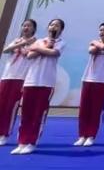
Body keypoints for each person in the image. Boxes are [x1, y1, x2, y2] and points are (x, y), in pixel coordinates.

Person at [11, 18, 65, 155]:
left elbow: (54, 53)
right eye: (52, 24)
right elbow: (30, 55)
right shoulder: (39, 40)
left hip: (46, 82)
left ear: (61, 30)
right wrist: (43, 48)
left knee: (38, 114)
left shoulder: (61, 42)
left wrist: (39, 49)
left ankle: (31, 142)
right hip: (31, 80)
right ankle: (22, 142)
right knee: (25, 113)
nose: (53, 27)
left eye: (57, 25)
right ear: (48, 27)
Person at [74, 22, 104, 147]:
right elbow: (91, 50)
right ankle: (82, 135)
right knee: (84, 109)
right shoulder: (94, 41)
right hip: (87, 78)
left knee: (95, 109)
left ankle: (91, 135)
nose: (102, 32)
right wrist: (102, 44)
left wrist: (103, 45)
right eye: (101, 30)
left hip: (101, 80)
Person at [0, 19, 37, 145]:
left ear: (33, 29)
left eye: (29, 26)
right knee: (1, 105)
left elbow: (28, 55)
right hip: (6, 76)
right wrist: (21, 43)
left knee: (11, 107)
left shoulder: (36, 42)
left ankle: (5, 134)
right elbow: (5, 50)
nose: (26, 28)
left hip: (20, 78)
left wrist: (27, 44)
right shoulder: (17, 40)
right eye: (24, 25)